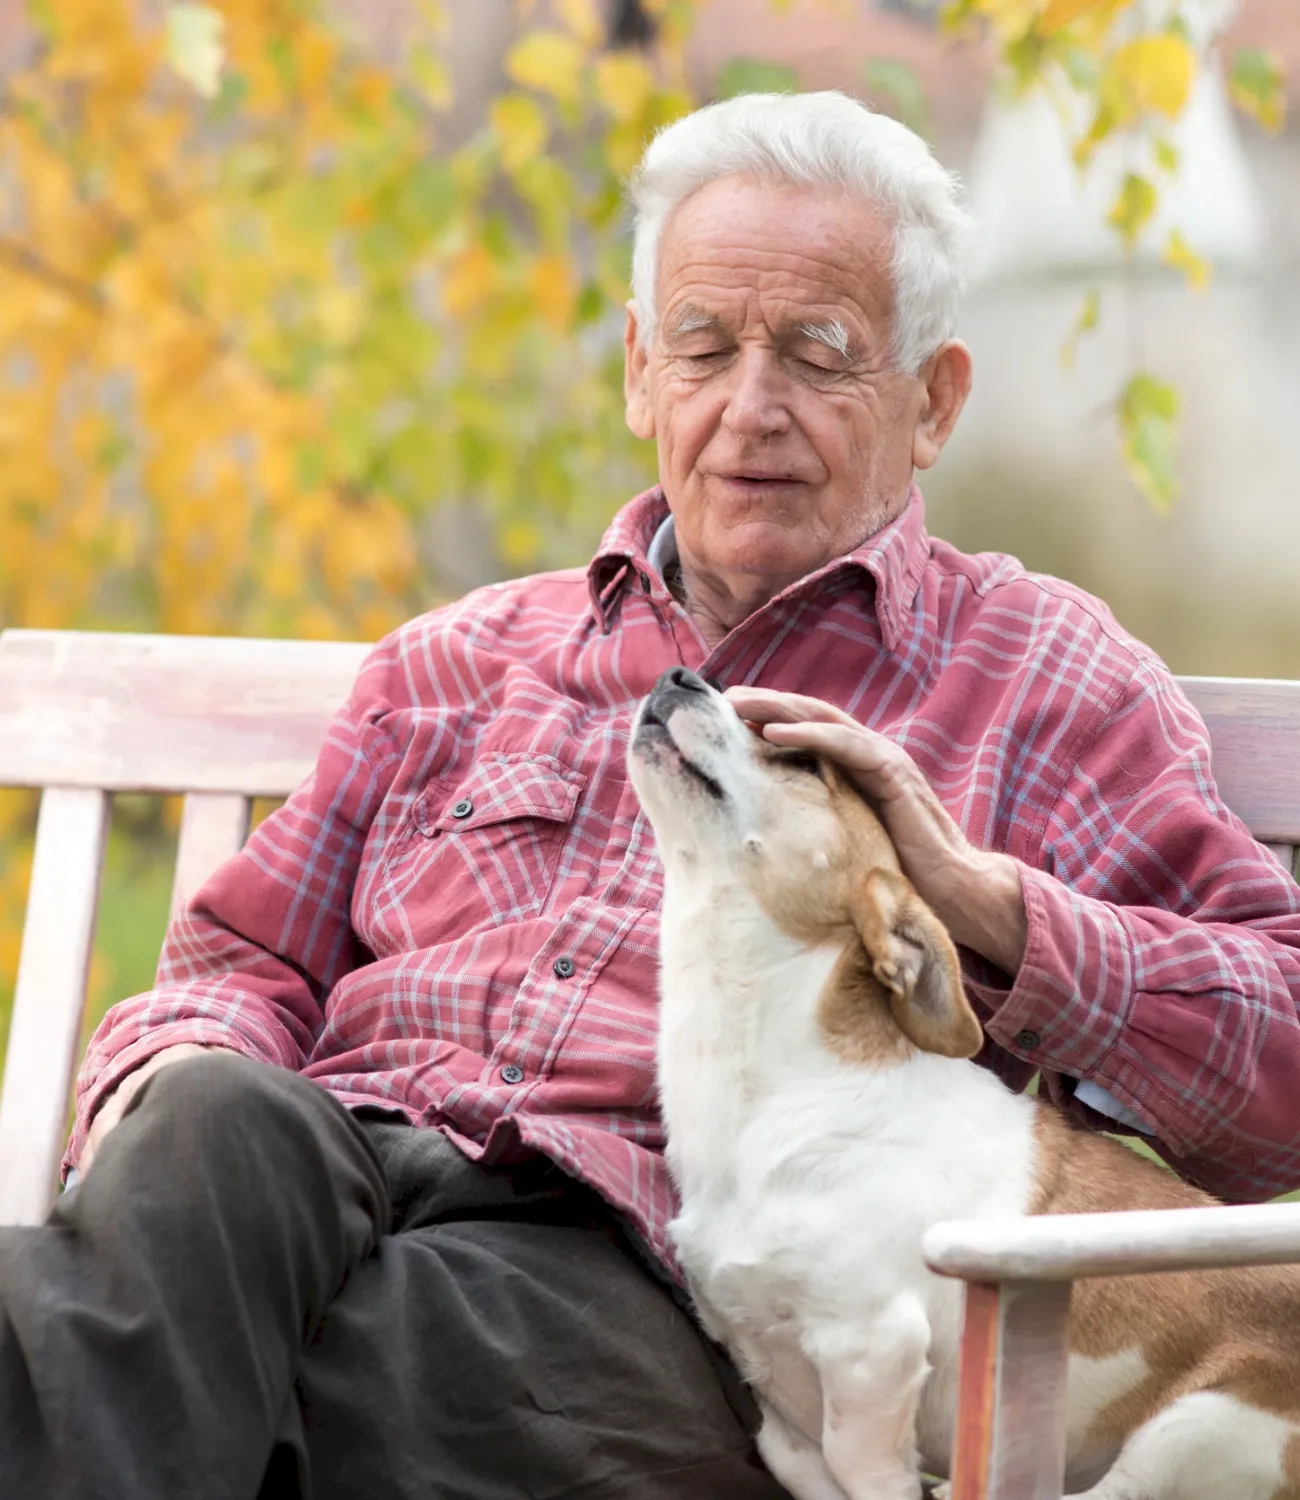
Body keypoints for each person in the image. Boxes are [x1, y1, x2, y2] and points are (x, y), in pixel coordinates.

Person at [3, 89, 1299, 1500]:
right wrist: (181, 1084)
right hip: (321, 1172)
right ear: (639, 372)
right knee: (208, 1127)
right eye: (705, 346)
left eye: (819, 353)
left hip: (624, 1251)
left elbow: (1279, 1060)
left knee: (210, 1348)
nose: (753, 408)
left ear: (932, 400)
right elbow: (241, 963)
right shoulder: (453, 659)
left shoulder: (1043, 680)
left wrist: (988, 910)